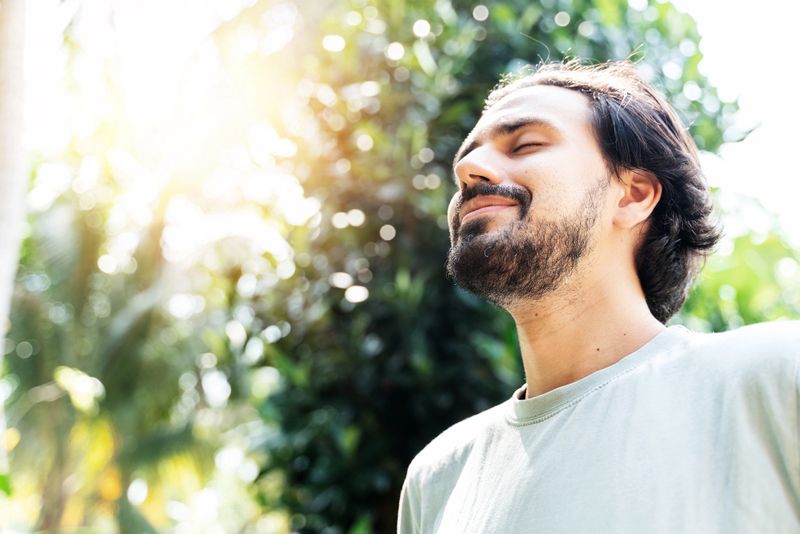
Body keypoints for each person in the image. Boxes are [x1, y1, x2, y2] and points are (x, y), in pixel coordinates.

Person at [397, 59, 800, 533]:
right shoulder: (438, 476)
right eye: (466, 160)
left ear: (633, 195)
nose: (466, 168)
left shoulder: (776, 375)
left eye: (525, 143)